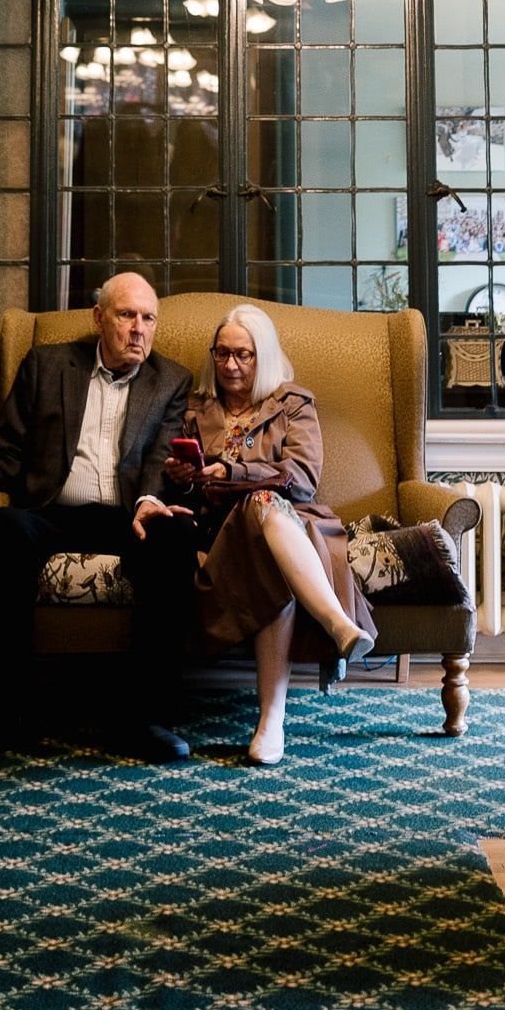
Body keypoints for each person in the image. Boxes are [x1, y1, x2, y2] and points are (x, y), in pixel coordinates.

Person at [0, 271, 197, 762]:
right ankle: (9, 716)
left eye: (148, 318)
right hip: (53, 510)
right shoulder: (48, 365)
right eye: (127, 315)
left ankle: (144, 717)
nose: (139, 330)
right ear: (98, 317)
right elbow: (8, 451)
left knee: (173, 541)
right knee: (6, 529)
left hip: (127, 515)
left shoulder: (170, 380)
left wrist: (150, 501)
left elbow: (157, 460)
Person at [165, 303, 375, 767]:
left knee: (266, 519)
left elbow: (301, 476)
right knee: (261, 534)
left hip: (290, 525)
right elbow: (177, 482)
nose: (231, 365)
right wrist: (182, 474)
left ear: (264, 356)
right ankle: (335, 628)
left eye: (244, 354)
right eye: (222, 354)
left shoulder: (292, 403)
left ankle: (271, 721)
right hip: (218, 531)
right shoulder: (195, 408)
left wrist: (235, 471)